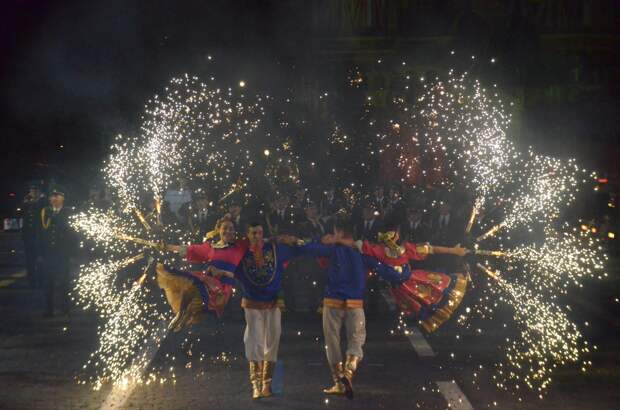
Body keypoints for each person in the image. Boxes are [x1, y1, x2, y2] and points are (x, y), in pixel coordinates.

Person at [297, 218, 405, 400]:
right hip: (355, 304)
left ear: (338, 230)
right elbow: (385, 270)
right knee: (357, 340)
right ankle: (349, 372)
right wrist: (403, 272)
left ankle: (338, 382)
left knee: (332, 341)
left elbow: (308, 249)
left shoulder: (333, 249)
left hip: (332, 301)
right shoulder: (362, 253)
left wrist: (302, 242)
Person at [221, 222, 301, 399]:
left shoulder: (274, 248)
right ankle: (255, 384)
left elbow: (298, 249)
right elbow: (221, 258)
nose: (256, 236)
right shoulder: (240, 252)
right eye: (253, 233)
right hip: (252, 304)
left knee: (273, 340)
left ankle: (267, 384)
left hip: (273, 304)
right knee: (254, 341)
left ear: (263, 233)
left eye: (259, 233)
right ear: (247, 234)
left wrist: (295, 241)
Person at [347, 224, 468, 333]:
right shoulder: (377, 251)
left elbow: (431, 249)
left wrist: (453, 251)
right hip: (400, 289)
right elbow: (360, 249)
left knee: (434, 300)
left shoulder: (405, 249)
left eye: (396, 234)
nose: (393, 237)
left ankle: (446, 330)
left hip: (414, 281)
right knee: (419, 311)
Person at [156, 215, 249, 330]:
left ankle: (186, 314)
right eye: (225, 228)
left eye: (231, 229)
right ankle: (181, 313)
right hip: (207, 281)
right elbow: (190, 249)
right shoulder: (211, 247)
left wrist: (274, 240)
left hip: (221, 288)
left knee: (195, 286)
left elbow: (258, 243)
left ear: (235, 231)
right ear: (219, 230)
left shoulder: (239, 247)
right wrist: (167, 247)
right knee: (189, 283)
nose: (228, 231)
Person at [38, 187, 76, 316]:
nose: (54, 198)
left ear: (63, 198)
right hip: (49, 254)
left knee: (64, 282)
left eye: (57, 196)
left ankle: (65, 308)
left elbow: (73, 235)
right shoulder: (46, 212)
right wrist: (41, 253)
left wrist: (72, 253)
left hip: (63, 254)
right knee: (48, 282)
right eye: (52, 196)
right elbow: (41, 235)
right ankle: (49, 310)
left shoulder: (68, 212)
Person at [21, 182, 46, 288]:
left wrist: (39, 199)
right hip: (28, 236)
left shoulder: (43, 202)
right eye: (32, 190)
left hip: (40, 235)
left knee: (40, 259)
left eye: (35, 190)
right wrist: (25, 201)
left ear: (39, 192)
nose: (33, 192)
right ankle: (31, 281)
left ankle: (40, 281)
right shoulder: (26, 203)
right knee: (29, 260)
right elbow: (19, 212)